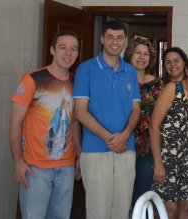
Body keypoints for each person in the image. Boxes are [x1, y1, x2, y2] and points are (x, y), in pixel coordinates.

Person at [10, 31, 81, 219]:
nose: (68, 53)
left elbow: (75, 120)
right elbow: (15, 122)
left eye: (73, 49)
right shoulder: (33, 79)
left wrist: (79, 156)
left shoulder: (77, 83)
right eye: (62, 47)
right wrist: (18, 161)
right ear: (52, 50)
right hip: (36, 169)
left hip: (66, 168)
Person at [73, 20, 141, 219]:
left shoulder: (130, 71)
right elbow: (80, 112)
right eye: (110, 36)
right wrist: (111, 138)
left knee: (122, 210)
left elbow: (136, 110)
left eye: (120, 37)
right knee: (98, 212)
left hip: (125, 150)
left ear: (125, 41)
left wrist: (124, 136)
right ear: (102, 39)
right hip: (96, 151)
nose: (114, 42)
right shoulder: (86, 69)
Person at [150, 53, 188, 219]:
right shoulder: (174, 88)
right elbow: (154, 125)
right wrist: (158, 163)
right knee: (170, 211)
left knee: (187, 207)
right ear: (187, 69)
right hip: (168, 161)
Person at [124, 37, 165, 209]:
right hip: (121, 146)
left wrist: (159, 159)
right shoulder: (120, 79)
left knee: (141, 198)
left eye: (146, 54)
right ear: (130, 55)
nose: (142, 57)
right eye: (137, 52)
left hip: (147, 149)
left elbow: (163, 120)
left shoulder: (157, 84)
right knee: (120, 197)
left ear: (150, 58)